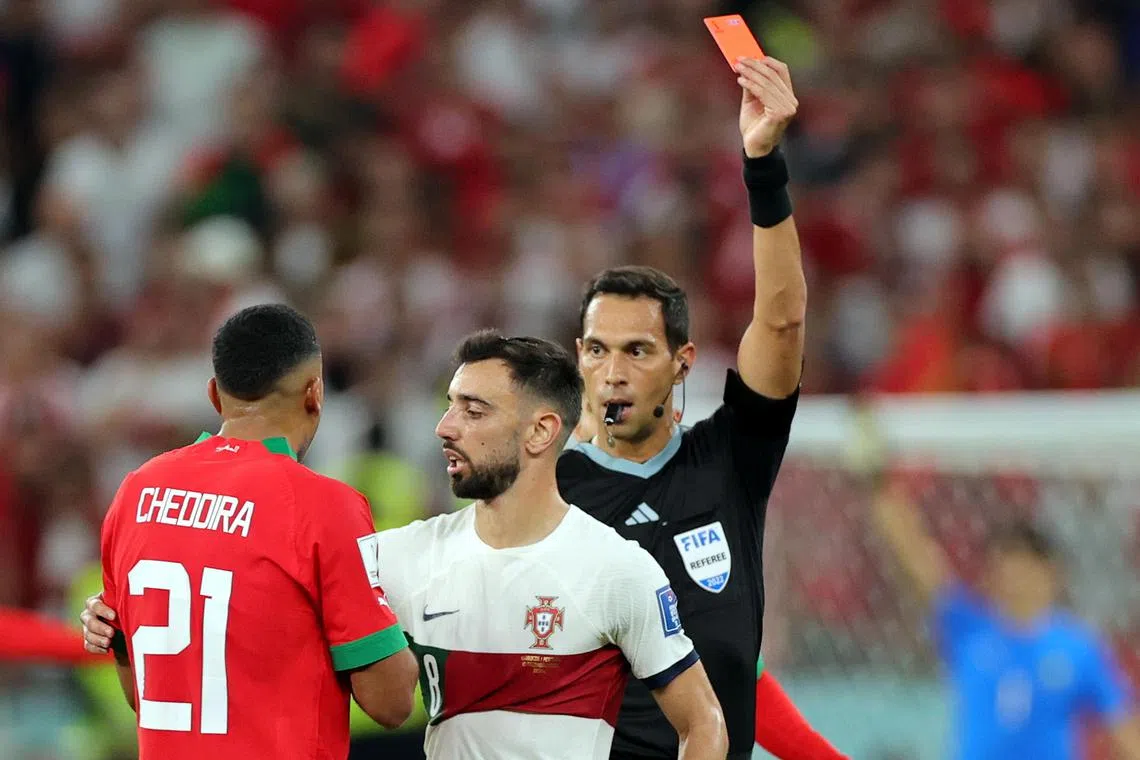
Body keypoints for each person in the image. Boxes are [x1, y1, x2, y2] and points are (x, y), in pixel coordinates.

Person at [87, 329, 729, 760]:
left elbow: (703, 726)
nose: (444, 427)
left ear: (540, 432)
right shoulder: (396, 558)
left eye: (473, 412)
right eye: (449, 405)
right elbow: (240, 591)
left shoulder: (617, 570)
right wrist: (116, 618)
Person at [558, 56, 845, 760]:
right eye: (597, 352)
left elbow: (728, 665)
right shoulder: (551, 492)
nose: (613, 374)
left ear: (682, 362)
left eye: (637, 352)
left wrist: (763, 165)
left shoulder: (729, 460)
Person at [81, 304, 419, 760]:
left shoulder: (137, 492)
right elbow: (391, 703)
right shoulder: (323, 506)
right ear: (314, 393)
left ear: (214, 395)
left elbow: (142, 694)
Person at [873, 479, 1140, 760]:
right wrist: (876, 481)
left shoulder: (1078, 647)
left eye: (1026, 569)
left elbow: (1123, 726)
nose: (1016, 581)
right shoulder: (967, 627)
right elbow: (916, 559)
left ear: (1052, 575)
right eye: (1007, 569)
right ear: (991, 575)